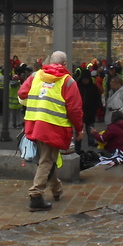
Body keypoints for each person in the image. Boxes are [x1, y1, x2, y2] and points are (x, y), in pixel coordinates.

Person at [18, 50, 83, 212]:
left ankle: (57, 190)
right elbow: (75, 109)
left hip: (34, 124)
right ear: (65, 64)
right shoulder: (68, 81)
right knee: (47, 160)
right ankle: (36, 195)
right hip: (54, 126)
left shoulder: (35, 76)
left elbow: (22, 93)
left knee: (48, 158)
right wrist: (79, 129)